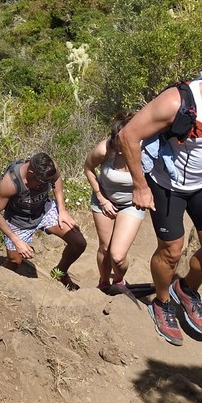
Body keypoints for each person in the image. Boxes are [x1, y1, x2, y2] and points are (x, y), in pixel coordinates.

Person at [118, 58, 202, 347]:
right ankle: (161, 301)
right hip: (166, 184)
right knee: (171, 252)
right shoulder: (176, 102)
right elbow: (128, 135)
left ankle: (186, 288)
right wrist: (140, 186)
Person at [0, 151, 87, 290]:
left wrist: (62, 210)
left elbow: (57, 179)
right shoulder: (11, 182)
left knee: (79, 243)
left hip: (44, 210)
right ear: (30, 172)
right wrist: (16, 241)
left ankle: (60, 273)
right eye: (41, 182)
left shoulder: (50, 167)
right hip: (19, 220)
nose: (43, 186)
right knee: (15, 261)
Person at [83, 111, 145, 295]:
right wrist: (101, 198)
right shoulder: (105, 149)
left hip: (132, 204)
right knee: (105, 247)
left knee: (117, 255)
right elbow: (88, 168)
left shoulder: (146, 151)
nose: (119, 149)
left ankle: (118, 280)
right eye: (117, 142)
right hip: (104, 199)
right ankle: (103, 281)